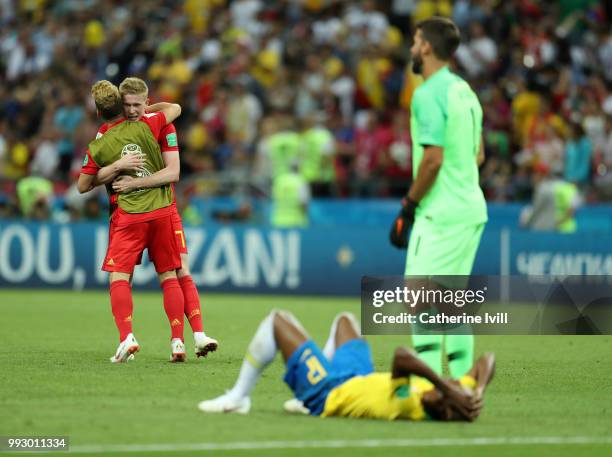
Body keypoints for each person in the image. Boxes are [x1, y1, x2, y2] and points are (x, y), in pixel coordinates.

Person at [94, 77, 218, 360]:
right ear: (119, 105)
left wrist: (133, 182)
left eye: (138, 105)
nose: (133, 110)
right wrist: (116, 167)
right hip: (126, 210)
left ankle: (191, 337)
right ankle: (129, 339)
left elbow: (173, 172)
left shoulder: (160, 125)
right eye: (127, 105)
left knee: (177, 270)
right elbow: (91, 177)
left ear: (147, 104)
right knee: (132, 276)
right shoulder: (110, 131)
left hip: (162, 209)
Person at [390, 17, 487, 378]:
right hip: (470, 208)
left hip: (441, 212)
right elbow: (477, 155)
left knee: (419, 300)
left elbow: (432, 159)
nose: (413, 48)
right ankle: (465, 388)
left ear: (427, 47)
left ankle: (428, 389)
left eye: (416, 41)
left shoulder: (428, 93)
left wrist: (409, 206)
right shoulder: (465, 92)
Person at [198, 310, 495, 422]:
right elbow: (487, 361)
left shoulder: (410, 406)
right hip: (358, 377)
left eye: (451, 388)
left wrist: (447, 388)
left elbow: (402, 356)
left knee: (277, 321)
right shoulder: (447, 399)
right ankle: (301, 392)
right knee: (346, 321)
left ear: (443, 407)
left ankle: (238, 398)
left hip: (330, 393)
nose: (454, 382)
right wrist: (476, 389)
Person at [77, 80, 185, 363]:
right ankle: (178, 342)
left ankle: (127, 337)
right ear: (123, 106)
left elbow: (82, 185)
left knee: (120, 277)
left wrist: (114, 167)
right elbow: (175, 108)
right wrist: (150, 106)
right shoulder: (150, 124)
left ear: (99, 113)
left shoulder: (99, 144)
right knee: (170, 276)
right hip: (162, 211)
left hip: (128, 215)